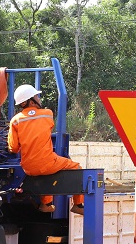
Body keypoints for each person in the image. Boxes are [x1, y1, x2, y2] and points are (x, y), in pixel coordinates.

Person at [7, 84, 84, 215]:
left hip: (28, 167)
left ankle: (47, 204)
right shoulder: (47, 114)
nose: (39, 98)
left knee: (47, 171)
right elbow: (47, 130)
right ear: (31, 101)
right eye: (37, 96)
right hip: (46, 163)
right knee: (76, 168)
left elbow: (13, 148)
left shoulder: (15, 120)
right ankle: (78, 204)